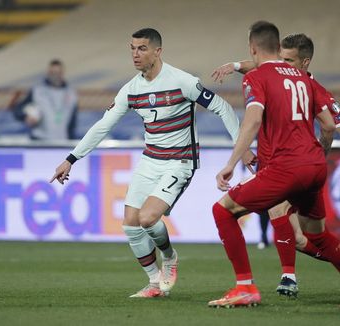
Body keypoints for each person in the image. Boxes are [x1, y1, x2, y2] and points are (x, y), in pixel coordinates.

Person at [49, 28, 240, 298]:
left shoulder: (181, 81)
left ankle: (170, 257)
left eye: (141, 48)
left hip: (179, 161)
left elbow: (223, 107)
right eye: (132, 48)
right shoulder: (131, 89)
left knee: (148, 218)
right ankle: (154, 283)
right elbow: (103, 126)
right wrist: (71, 159)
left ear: (157, 51)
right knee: (129, 223)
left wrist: (240, 149)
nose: (135, 54)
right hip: (150, 160)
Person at [208, 21, 340, 308]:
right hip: (313, 164)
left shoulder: (257, 78)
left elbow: (253, 120)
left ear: (253, 48)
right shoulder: (306, 80)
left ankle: (245, 286)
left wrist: (231, 162)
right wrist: (317, 157)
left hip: (284, 166)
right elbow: (327, 126)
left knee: (223, 211)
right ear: (278, 48)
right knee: (317, 234)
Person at [12, 59, 78, 140]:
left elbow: (72, 122)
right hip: (40, 140)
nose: (55, 76)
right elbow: (18, 109)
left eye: (58, 73)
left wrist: (71, 140)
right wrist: (25, 116)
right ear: (48, 73)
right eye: (52, 73)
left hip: (62, 140)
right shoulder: (38, 91)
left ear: (62, 73)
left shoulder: (71, 94)